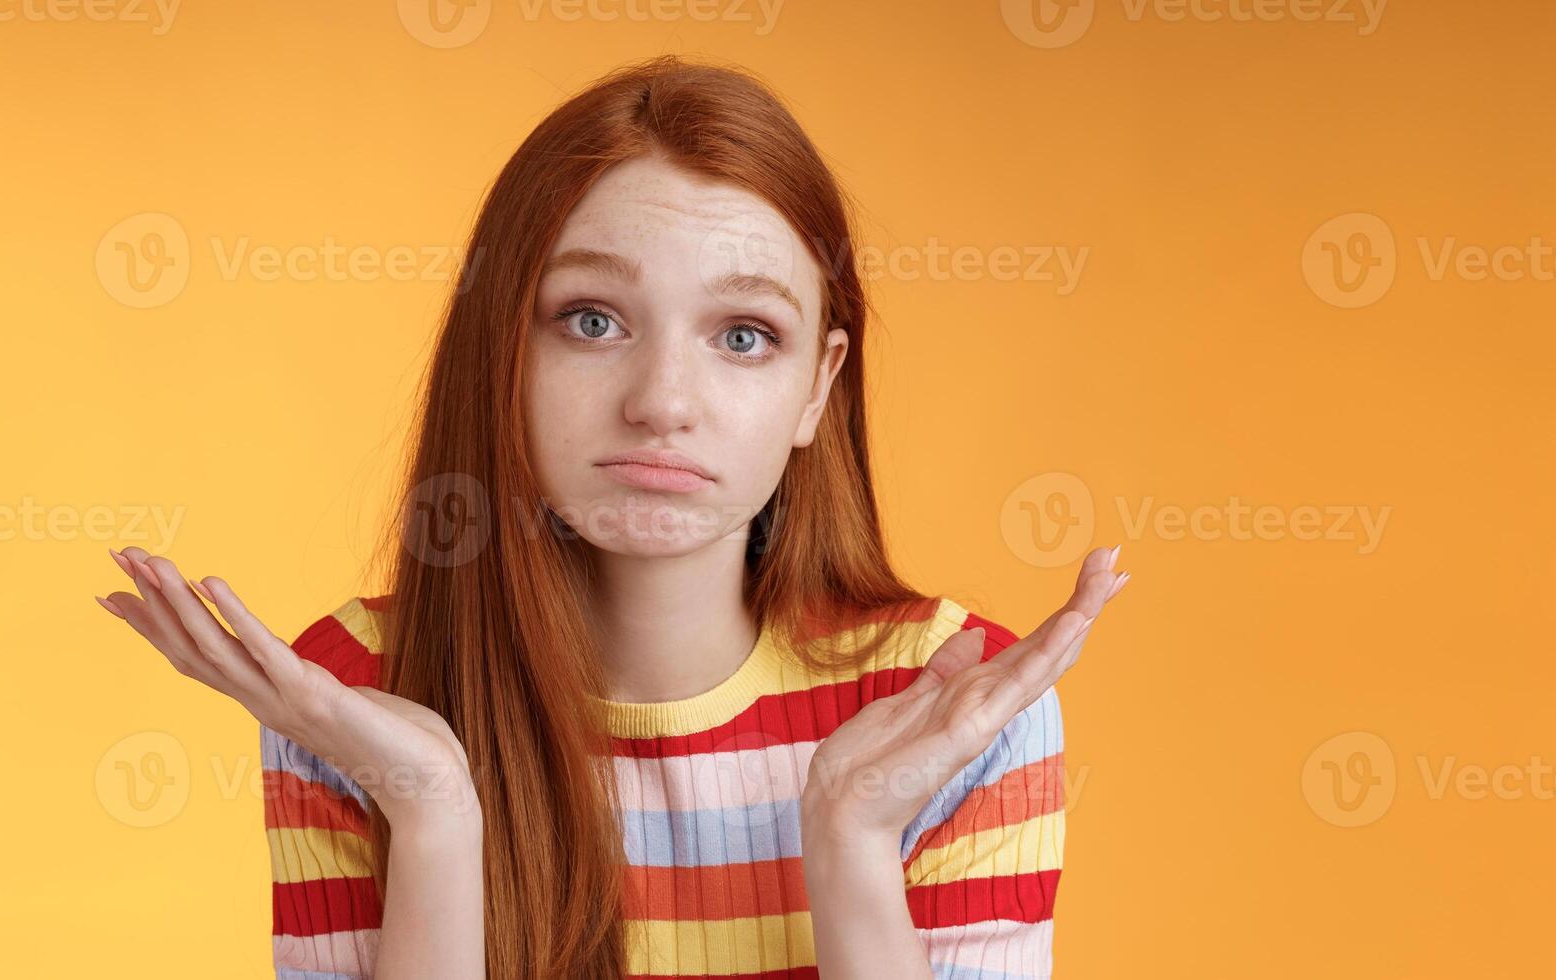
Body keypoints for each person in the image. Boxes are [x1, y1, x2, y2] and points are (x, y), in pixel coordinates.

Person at [95, 55, 1128, 980]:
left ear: (818, 387)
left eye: (743, 334)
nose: (661, 401)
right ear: (503, 347)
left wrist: (853, 840)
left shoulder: (952, 701)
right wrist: (434, 811)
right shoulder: (357, 693)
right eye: (591, 320)